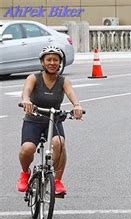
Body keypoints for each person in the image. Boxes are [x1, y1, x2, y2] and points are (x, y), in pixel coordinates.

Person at [17, 45, 83, 195]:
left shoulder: (63, 81)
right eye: (49, 60)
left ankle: (57, 180)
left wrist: (77, 105)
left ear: (60, 63)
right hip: (33, 120)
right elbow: (26, 91)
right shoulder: (34, 78)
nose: (52, 63)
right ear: (42, 62)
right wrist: (26, 100)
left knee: (59, 143)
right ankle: (25, 173)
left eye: (56, 60)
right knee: (27, 148)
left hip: (54, 119)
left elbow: (71, 92)